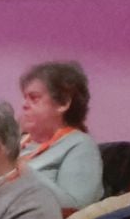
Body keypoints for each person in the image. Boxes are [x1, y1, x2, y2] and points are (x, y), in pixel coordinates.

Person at [17, 60, 106, 207]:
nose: (24, 105)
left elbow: (75, 207)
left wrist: (20, 170)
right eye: (25, 97)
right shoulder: (17, 142)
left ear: (63, 103)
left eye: (34, 98)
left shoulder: (80, 145)